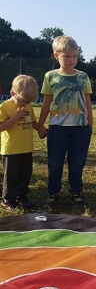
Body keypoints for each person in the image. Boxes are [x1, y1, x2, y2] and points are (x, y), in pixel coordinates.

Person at [38, 35, 93, 209]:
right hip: (57, 128)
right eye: (67, 56)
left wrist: (89, 125)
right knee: (55, 162)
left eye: (75, 56)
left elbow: (88, 102)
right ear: (56, 56)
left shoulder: (83, 76)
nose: (71, 60)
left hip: (80, 128)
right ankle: (53, 193)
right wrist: (40, 125)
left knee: (77, 161)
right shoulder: (50, 76)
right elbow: (46, 103)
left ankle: (76, 192)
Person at [0, 75, 39, 210]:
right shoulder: (5, 107)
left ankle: (21, 196)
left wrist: (40, 129)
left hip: (26, 148)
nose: (25, 104)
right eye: (23, 100)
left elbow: (32, 122)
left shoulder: (28, 106)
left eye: (28, 101)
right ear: (12, 93)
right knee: (11, 176)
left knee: (25, 174)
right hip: (11, 149)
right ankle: (7, 199)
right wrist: (16, 117)